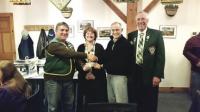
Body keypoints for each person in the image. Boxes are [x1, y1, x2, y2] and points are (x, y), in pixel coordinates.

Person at [43, 22, 97, 112]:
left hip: (68, 80)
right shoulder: (53, 44)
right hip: (54, 81)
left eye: (66, 30)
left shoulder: (69, 44)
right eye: (62, 30)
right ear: (56, 31)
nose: (64, 32)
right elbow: (68, 53)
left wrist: (83, 66)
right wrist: (87, 55)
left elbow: (75, 57)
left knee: (69, 105)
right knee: (53, 107)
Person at [127, 11, 165, 112]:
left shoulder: (156, 34)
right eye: (138, 19)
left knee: (150, 100)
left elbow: (160, 56)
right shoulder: (131, 35)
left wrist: (158, 75)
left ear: (147, 20)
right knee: (135, 98)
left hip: (150, 74)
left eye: (143, 19)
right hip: (135, 74)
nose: (140, 21)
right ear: (136, 21)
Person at [77, 26, 107, 112]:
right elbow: (77, 61)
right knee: (85, 102)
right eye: (87, 33)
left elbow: (104, 60)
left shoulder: (99, 47)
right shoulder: (80, 47)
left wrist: (96, 59)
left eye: (92, 33)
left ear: (95, 35)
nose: (89, 35)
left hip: (98, 78)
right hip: (84, 78)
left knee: (97, 100)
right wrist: (85, 72)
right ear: (84, 35)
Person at [104, 22, 133, 103]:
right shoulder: (111, 42)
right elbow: (106, 56)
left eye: (117, 30)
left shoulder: (126, 44)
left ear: (121, 30)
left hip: (120, 76)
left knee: (121, 101)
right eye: (113, 30)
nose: (115, 32)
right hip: (109, 75)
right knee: (111, 100)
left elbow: (120, 63)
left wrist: (102, 66)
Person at [183, 33, 200, 112]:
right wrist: (196, 60)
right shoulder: (193, 40)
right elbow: (186, 51)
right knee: (195, 93)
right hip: (197, 71)